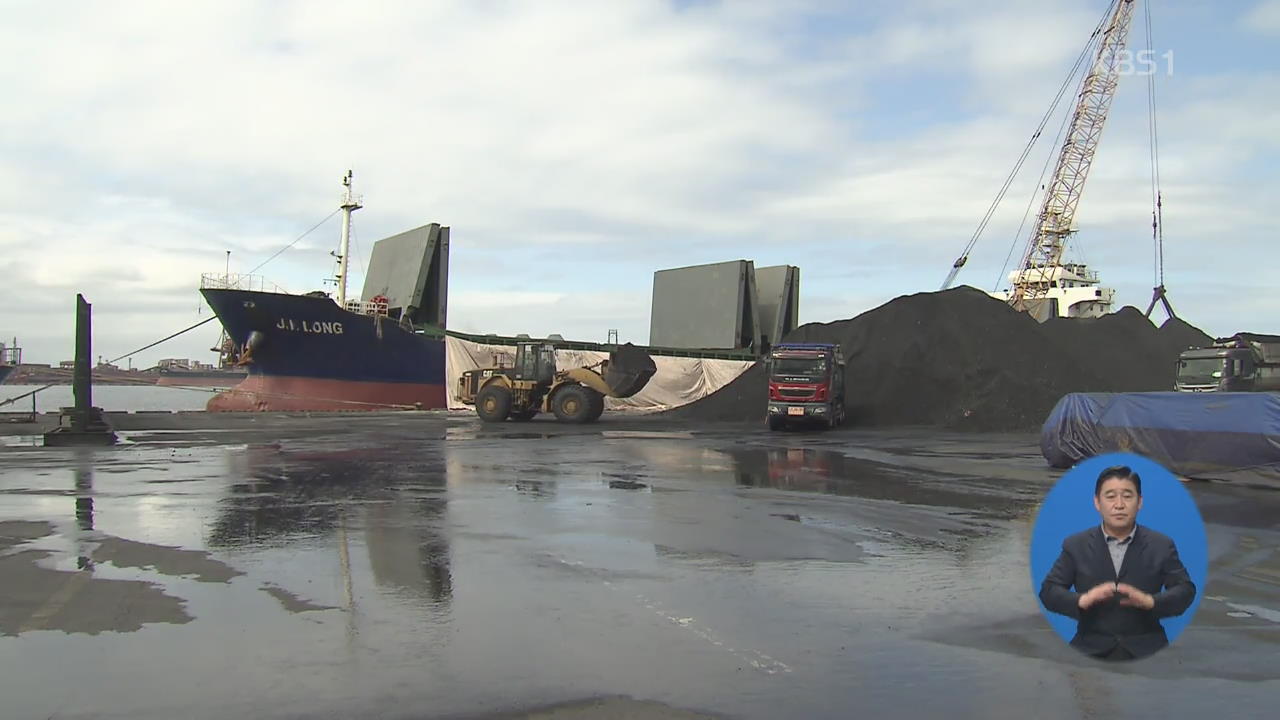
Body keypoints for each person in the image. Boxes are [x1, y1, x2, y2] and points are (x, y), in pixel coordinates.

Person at [1038, 465, 1197, 661]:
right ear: (1097, 502)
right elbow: (1048, 591)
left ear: (1140, 502)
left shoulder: (1161, 545)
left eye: (1127, 496)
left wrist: (1151, 602)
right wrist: (1082, 600)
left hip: (1149, 650)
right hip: (1088, 649)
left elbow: (1186, 590)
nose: (1119, 504)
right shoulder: (1075, 545)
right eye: (1110, 496)